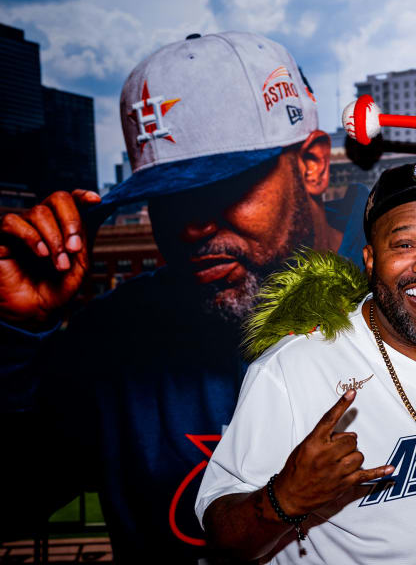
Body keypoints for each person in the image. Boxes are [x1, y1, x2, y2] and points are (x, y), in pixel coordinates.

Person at [0, 32, 367, 561]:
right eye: (167, 198)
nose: (191, 226)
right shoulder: (115, 342)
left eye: (222, 186)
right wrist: (14, 341)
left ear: (311, 165)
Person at [196, 160, 416, 564]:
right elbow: (222, 536)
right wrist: (284, 499)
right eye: (403, 245)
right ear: (369, 259)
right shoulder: (295, 369)